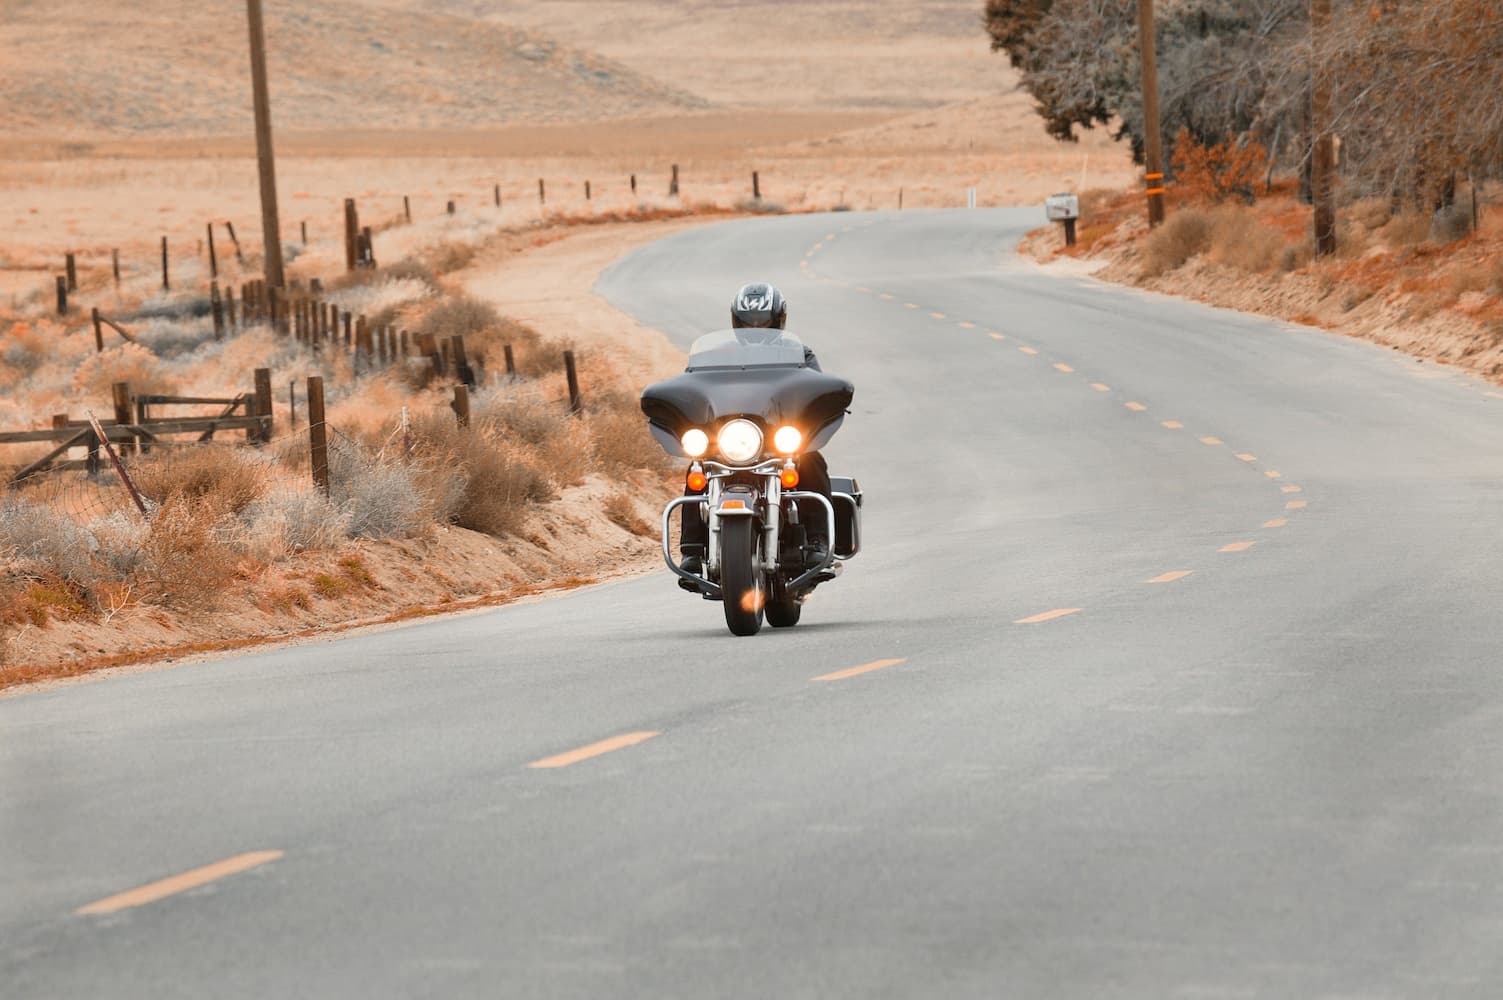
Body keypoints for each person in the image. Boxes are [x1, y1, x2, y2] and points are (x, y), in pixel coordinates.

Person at [679, 283, 835, 585]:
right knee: (696, 469)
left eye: (763, 323)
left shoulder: (799, 354)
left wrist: (822, 401)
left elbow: (816, 388)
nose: (756, 329)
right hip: (730, 437)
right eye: (749, 324)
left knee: (812, 459)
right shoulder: (716, 355)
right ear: (736, 322)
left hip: (776, 438)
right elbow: (694, 386)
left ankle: (818, 542)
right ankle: (692, 548)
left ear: (778, 320)